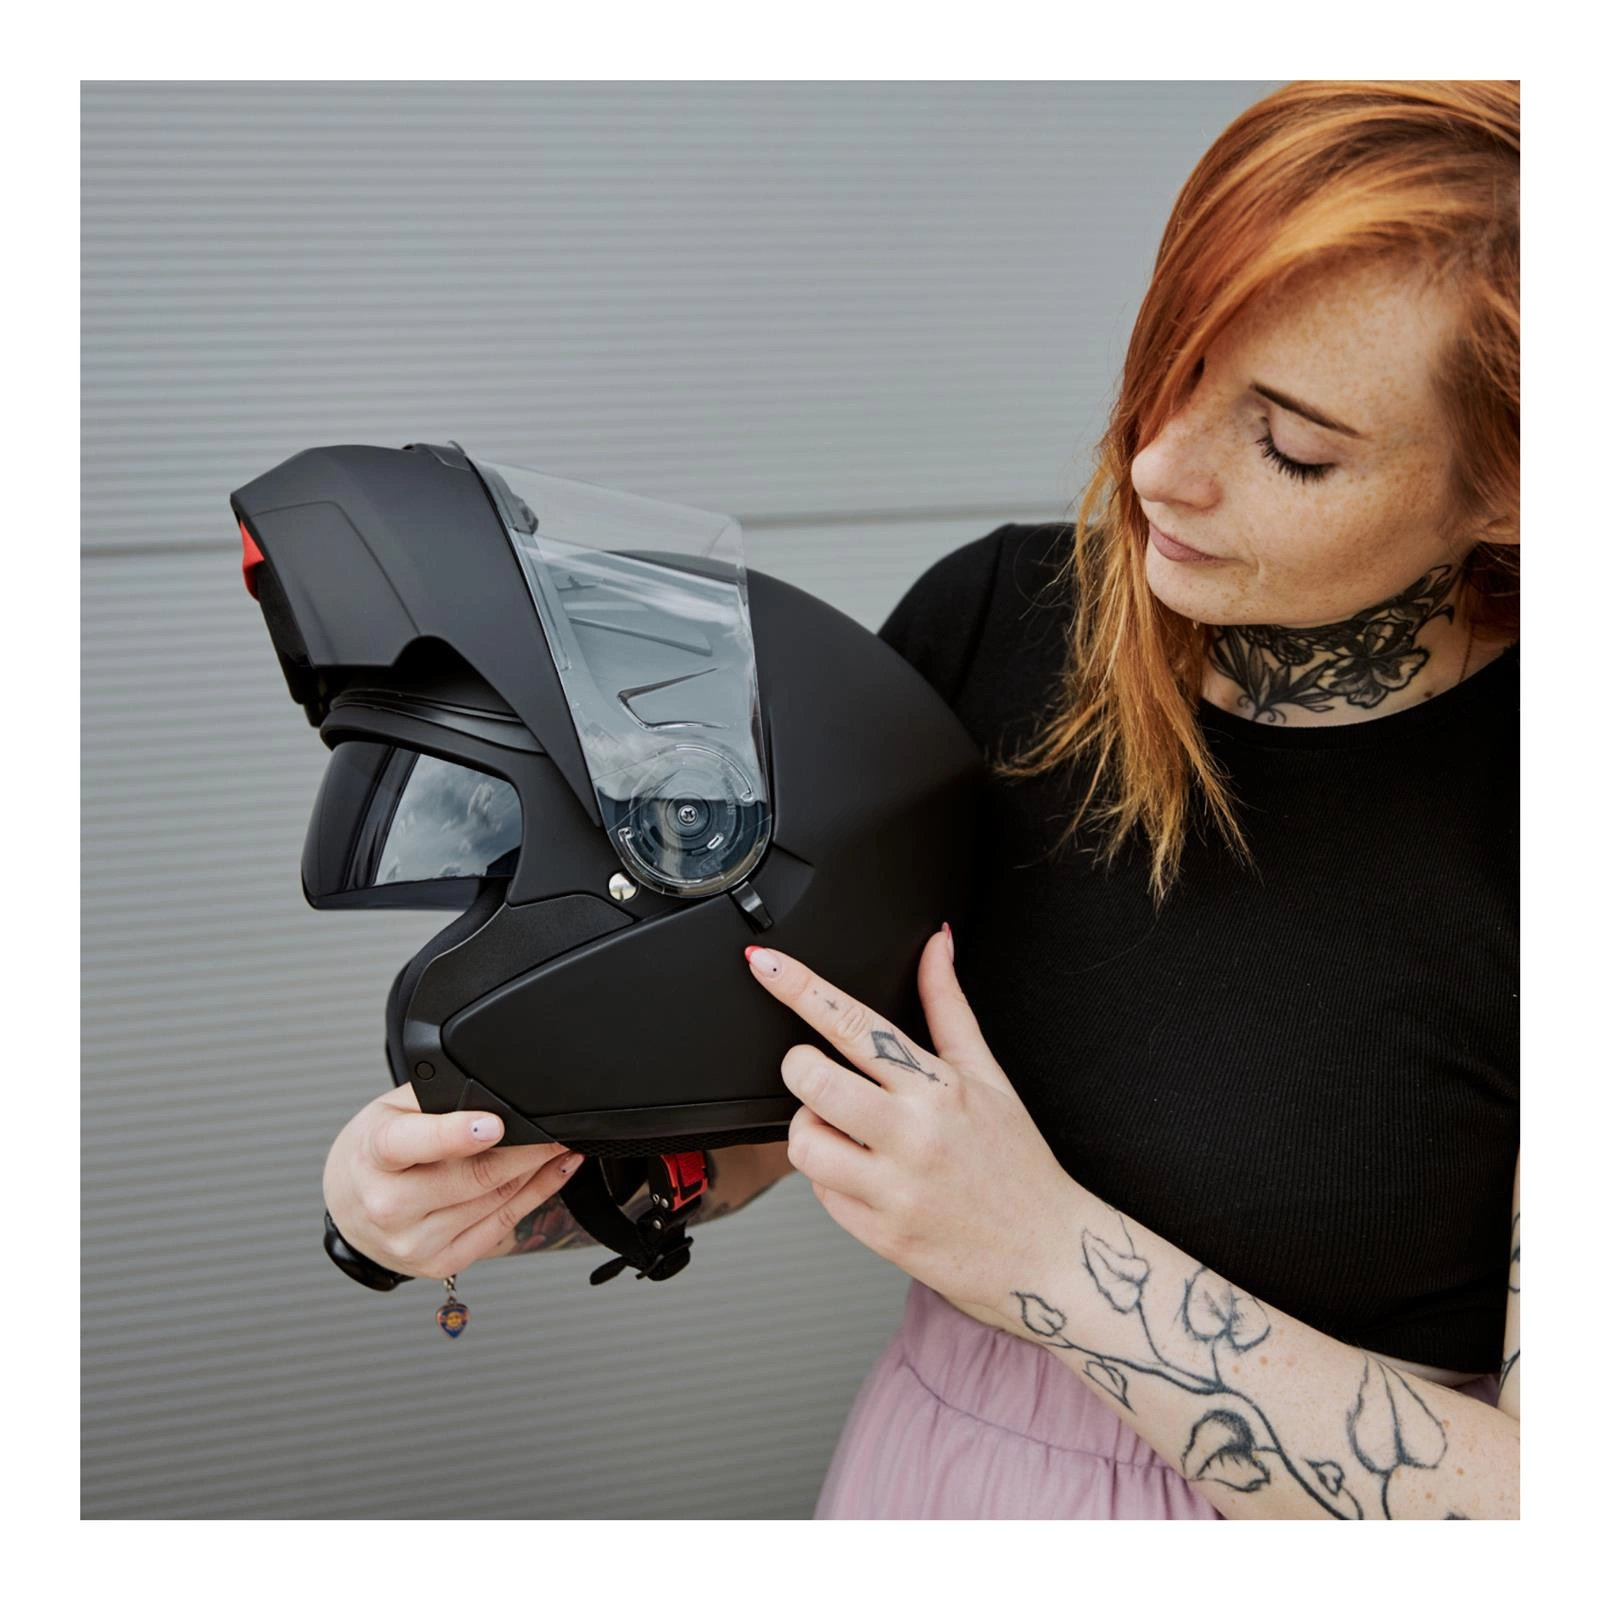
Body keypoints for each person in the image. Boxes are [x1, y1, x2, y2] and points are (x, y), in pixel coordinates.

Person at [322, 78, 1520, 1519]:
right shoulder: (997, 623)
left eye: (1294, 446)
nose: (1156, 466)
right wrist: (478, 1198)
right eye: (1174, 362)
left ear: (1517, 486)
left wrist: (1045, 1256)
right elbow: (777, 1106)